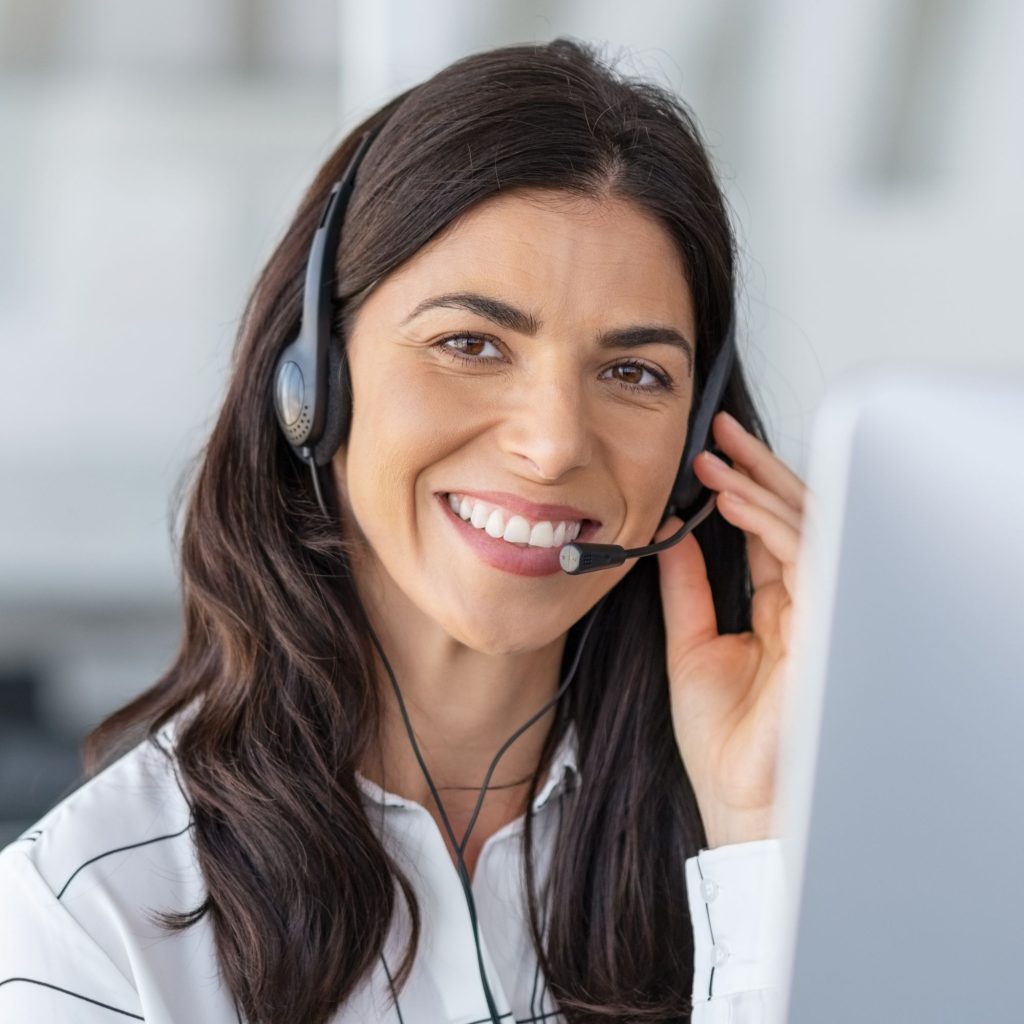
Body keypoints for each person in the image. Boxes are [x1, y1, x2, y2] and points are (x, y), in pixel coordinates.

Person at [0, 38, 806, 1024]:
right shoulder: (89, 922)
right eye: (470, 344)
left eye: (633, 372)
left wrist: (759, 837)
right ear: (313, 384)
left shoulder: (777, 847)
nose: (553, 444)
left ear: (693, 450)